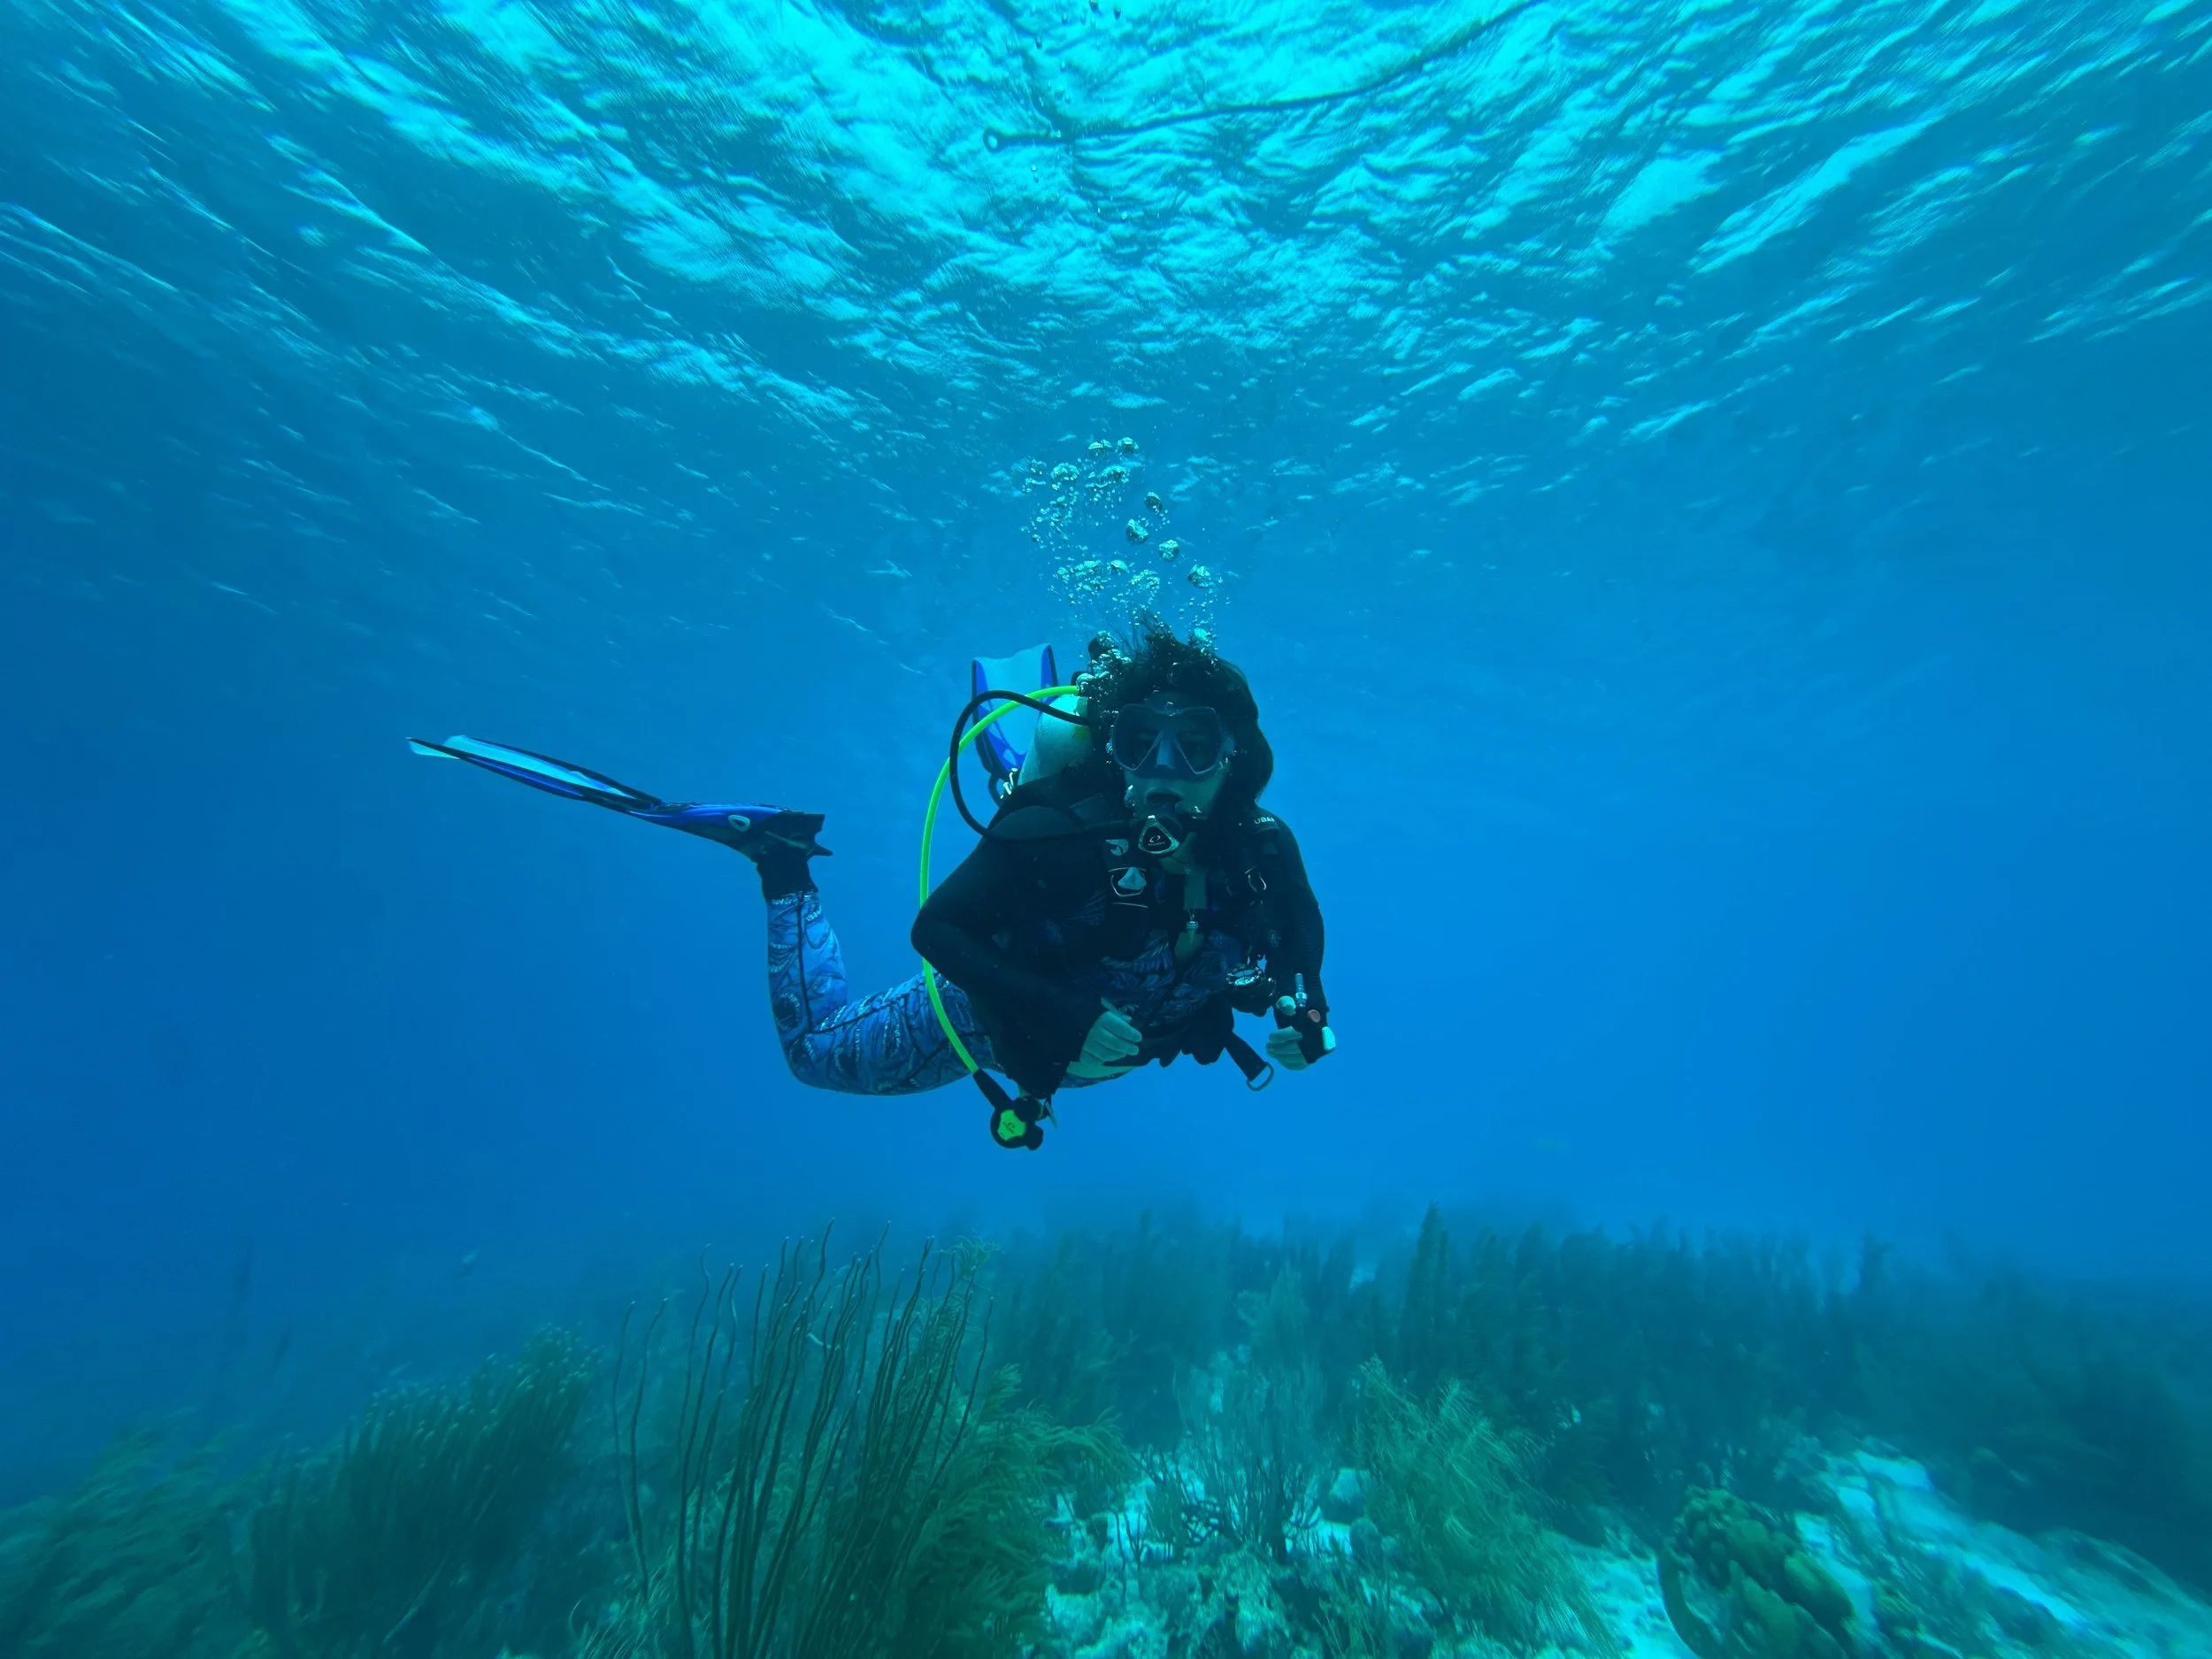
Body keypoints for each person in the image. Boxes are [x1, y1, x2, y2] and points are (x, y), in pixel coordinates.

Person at [411, 624, 1334, 1148]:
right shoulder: (1058, 831)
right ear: (1116, 751)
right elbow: (938, 932)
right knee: (815, 1056)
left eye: (1197, 747)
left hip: (1112, 1033)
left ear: (1238, 763)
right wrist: (1055, 1016)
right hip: (987, 1018)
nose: (1165, 772)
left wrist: (1302, 1027)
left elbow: (1303, 966)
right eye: (1140, 743)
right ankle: (776, 859)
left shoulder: (1262, 853)